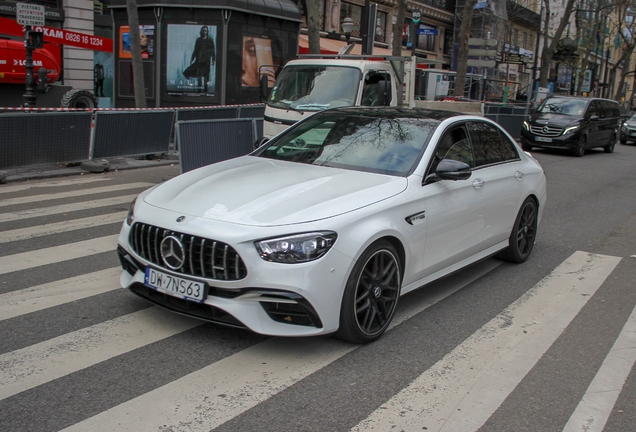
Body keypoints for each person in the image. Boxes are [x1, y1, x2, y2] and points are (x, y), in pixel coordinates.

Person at [183, 26, 215, 92]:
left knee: (206, 75)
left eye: (205, 30)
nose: (204, 32)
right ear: (201, 31)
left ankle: (206, 90)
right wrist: (192, 58)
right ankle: (199, 90)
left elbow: (212, 51)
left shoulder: (210, 40)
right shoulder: (198, 40)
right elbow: (195, 50)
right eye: (203, 30)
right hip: (199, 60)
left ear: (207, 32)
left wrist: (213, 59)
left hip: (206, 60)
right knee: (199, 75)